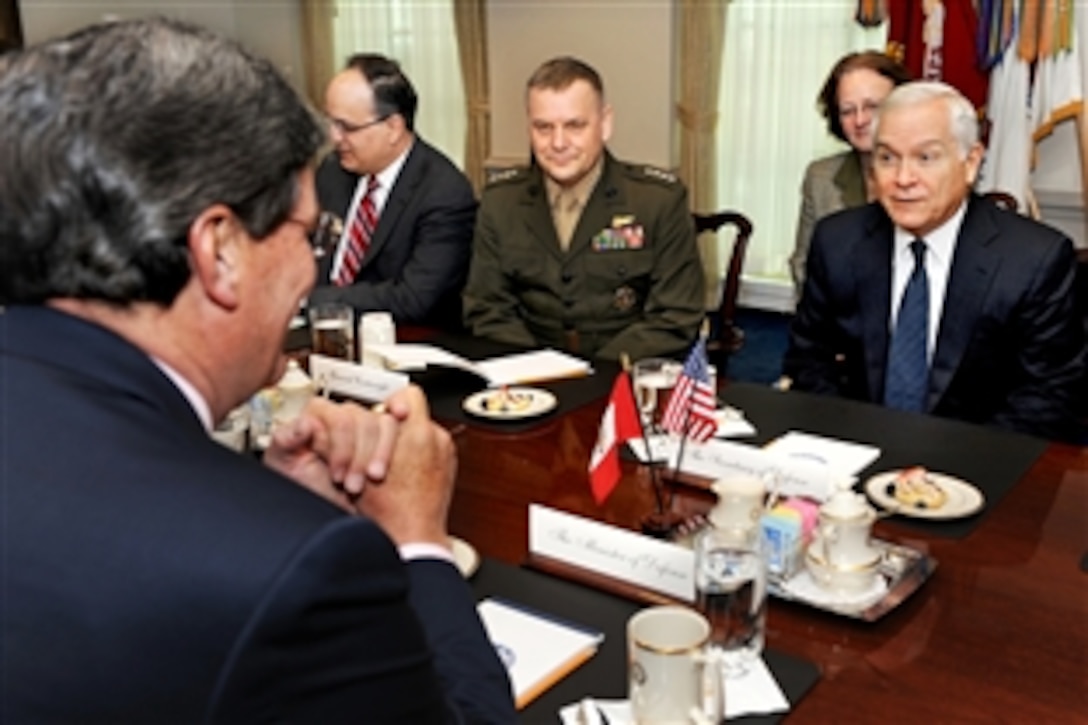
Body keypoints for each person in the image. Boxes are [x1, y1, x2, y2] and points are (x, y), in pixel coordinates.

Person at [0, 18, 515, 723]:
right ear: (221, 251)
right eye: (307, 234)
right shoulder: (303, 567)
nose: (313, 269)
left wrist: (266, 499)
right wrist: (419, 542)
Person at [784, 81, 1086, 441]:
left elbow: (1049, 395)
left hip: (980, 468)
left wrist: (946, 470)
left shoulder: (1035, 259)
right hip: (858, 455)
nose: (903, 179)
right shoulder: (838, 241)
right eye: (887, 158)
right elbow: (808, 360)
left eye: (926, 157)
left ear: (970, 162)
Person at [462, 56, 705, 362]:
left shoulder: (657, 201)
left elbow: (675, 317)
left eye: (575, 125)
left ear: (605, 124)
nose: (558, 143)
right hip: (528, 381)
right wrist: (540, 370)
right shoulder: (500, 203)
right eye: (543, 127)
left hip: (623, 379)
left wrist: (590, 375)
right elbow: (487, 310)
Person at [309, 53, 476, 329]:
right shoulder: (333, 172)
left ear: (393, 128)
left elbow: (414, 299)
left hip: (404, 345)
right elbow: (309, 252)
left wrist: (315, 300)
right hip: (319, 334)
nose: (334, 138)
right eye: (330, 123)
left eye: (347, 127)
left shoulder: (444, 192)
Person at [789, 51, 911, 297]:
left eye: (872, 107)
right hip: (837, 325)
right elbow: (803, 266)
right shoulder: (820, 177)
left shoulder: (931, 176)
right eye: (847, 111)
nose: (860, 120)